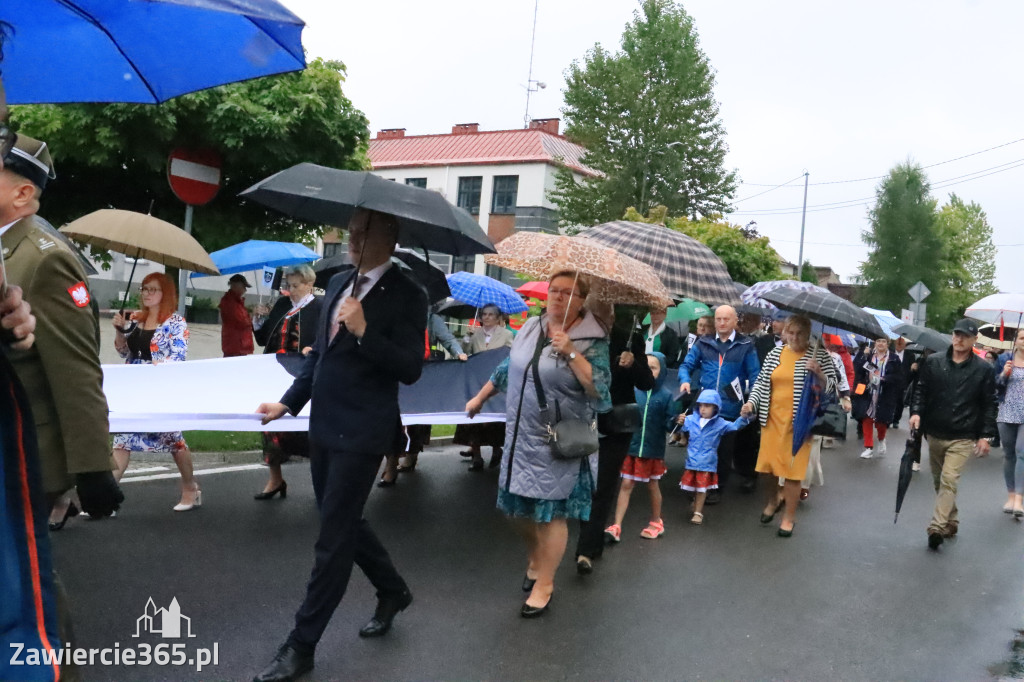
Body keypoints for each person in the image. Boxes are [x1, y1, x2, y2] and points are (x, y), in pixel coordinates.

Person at [252, 209, 426, 682]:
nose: (352, 236)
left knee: (332, 539)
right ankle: (393, 589)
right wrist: (288, 405)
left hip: (364, 432)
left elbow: (411, 367)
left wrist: (366, 331)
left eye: (365, 229)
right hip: (323, 427)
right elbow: (320, 361)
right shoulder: (337, 285)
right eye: (352, 228)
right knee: (342, 520)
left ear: (389, 235)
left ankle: (301, 645)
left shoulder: (409, 295)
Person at [465, 271, 610, 618]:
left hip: (557, 438)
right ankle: (536, 556)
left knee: (550, 516)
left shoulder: (593, 339)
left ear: (581, 300)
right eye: (553, 291)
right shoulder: (532, 326)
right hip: (519, 435)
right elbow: (507, 367)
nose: (558, 297)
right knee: (515, 510)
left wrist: (572, 353)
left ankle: (545, 583)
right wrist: (480, 398)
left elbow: (600, 392)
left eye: (567, 293)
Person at [742, 315, 838, 537]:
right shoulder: (775, 354)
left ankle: (788, 518)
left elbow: (834, 388)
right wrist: (751, 403)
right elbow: (761, 382)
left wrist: (820, 374)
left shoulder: (819, 355)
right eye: (790, 333)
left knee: (794, 472)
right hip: (771, 419)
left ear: (808, 334)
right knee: (768, 469)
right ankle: (774, 499)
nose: (794, 337)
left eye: (799, 334)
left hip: (801, 422)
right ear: (784, 332)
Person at [575, 301, 652, 574]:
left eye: (605, 312)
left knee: (604, 484)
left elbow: (647, 383)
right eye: (594, 312)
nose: (601, 318)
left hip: (617, 421)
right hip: (583, 419)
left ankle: (585, 549)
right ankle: (591, 542)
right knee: (582, 483)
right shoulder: (579, 338)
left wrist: (632, 365)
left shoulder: (630, 338)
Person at [111, 273, 199, 511]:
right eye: (144, 289)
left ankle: (190, 487)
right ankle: (107, 498)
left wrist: (161, 366)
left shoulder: (175, 323)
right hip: (135, 387)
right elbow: (123, 352)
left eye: (153, 289)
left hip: (160, 387)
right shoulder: (138, 319)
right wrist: (120, 330)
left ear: (166, 293)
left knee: (174, 440)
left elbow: (179, 355)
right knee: (122, 440)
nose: (147, 293)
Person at [910, 319, 997, 550]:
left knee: (949, 479)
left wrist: (985, 436)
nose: (959, 339)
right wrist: (916, 412)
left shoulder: (984, 369)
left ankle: (936, 527)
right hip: (935, 431)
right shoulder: (934, 362)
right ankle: (952, 519)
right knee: (940, 481)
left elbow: (989, 403)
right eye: (956, 334)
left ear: (974, 339)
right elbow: (921, 389)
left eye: (964, 336)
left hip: (963, 434)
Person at [251, 265, 322, 500]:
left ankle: (322, 479)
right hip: (276, 372)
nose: (290, 291)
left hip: (303, 374)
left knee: (308, 426)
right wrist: (258, 320)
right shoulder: (282, 306)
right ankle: (275, 478)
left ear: (309, 284)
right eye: (288, 286)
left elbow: (329, 337)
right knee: (270, 424)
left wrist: (314, 349)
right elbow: (264, 339)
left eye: (295, 286)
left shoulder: (320, 307)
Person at [678, 305, 760, 501]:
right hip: (705, 406)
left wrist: (752, 401)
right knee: (701, 447)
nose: (722, 323)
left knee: (724, 450)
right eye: (718, 319)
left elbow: (756, 375)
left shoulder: (746, 345)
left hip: (730, 406)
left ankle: (716, 488)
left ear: (734, 322)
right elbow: (686, 365)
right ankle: (698, 485)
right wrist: (685, 380)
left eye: (726, 319)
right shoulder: (703, 343)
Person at [605, 352, 673, 539]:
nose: (650, 371)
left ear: (662, 370)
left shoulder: (666, 396)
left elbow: (669, 424)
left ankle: (656, 521)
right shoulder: (634, 390)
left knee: (652, 485)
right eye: (647, 367)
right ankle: (616, 525)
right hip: (632, 447)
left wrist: (677, 421)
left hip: (653, 450)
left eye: (654, 367)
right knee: (626, 483)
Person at [453, 303, 511, 472]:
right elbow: (464, 353)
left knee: (493, 420)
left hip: (495, 382)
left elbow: (511, 355)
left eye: (490, 314)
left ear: (498, 318)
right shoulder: (475, 334)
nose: (486, 317)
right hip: (476, 381)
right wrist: (467, 338)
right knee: (474, 419)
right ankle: (477, 456)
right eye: (484, 314)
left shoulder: (506, 334)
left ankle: (496, 450)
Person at [680, 389, 749, 525]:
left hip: (707, 463)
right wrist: (677, 420)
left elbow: (735, 426)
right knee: (691, 487)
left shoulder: (720, 423)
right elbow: (676, 428)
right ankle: (695, 503)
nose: (703, 409)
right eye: (701, 405)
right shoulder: (690, 420)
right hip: (691, 462)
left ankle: (698, 512)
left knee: (702, 488)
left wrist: (744, 417)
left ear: (716, 408)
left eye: (707, 406)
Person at [853, 337, 902, 459]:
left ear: (887, 344)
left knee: (881, 421)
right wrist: (863, 356)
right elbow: (857, 370)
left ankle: (881, 439)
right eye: (878, 341)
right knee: (866, 418)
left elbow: (898, 377)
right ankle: (868, 447)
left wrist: (884, 379)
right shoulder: (868, 355)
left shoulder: (894, 359)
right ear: (875, 343)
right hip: (868, 392)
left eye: (883, 341)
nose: (880, 344)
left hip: (884, 393)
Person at [995, 330, 1024, 517]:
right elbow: (995, 384)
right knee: (1009, 454)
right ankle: (1011, 496)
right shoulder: (1005, 358)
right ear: (1016, 341)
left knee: (1022, 453)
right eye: (1022, 338)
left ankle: (1019, 500)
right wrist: (1004, 374)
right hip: (1007, 412)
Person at [219, 273, 254, 357]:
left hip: (238, 347)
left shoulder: (235, 301)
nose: (245, 290)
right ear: (236, 286)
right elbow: (243, 322)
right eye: (244, 287)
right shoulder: (231, 302)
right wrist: (254, 314)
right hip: (236, 348)